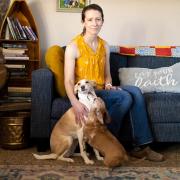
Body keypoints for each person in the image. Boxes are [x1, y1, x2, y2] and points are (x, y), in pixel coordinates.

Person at [64, 3, 164, 162]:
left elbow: (107, 75)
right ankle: (105, 140)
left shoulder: (105, 45)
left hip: (102, 90)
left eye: (98, 19)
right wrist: (74, 102)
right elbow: (68, 80)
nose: (94, 23)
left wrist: (109, 85)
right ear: (83, 22)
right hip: (87, 94)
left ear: (103, 21)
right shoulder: (73, 46)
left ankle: (142, 146)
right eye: (90, 19)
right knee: (125, 97)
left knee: (136, 92)